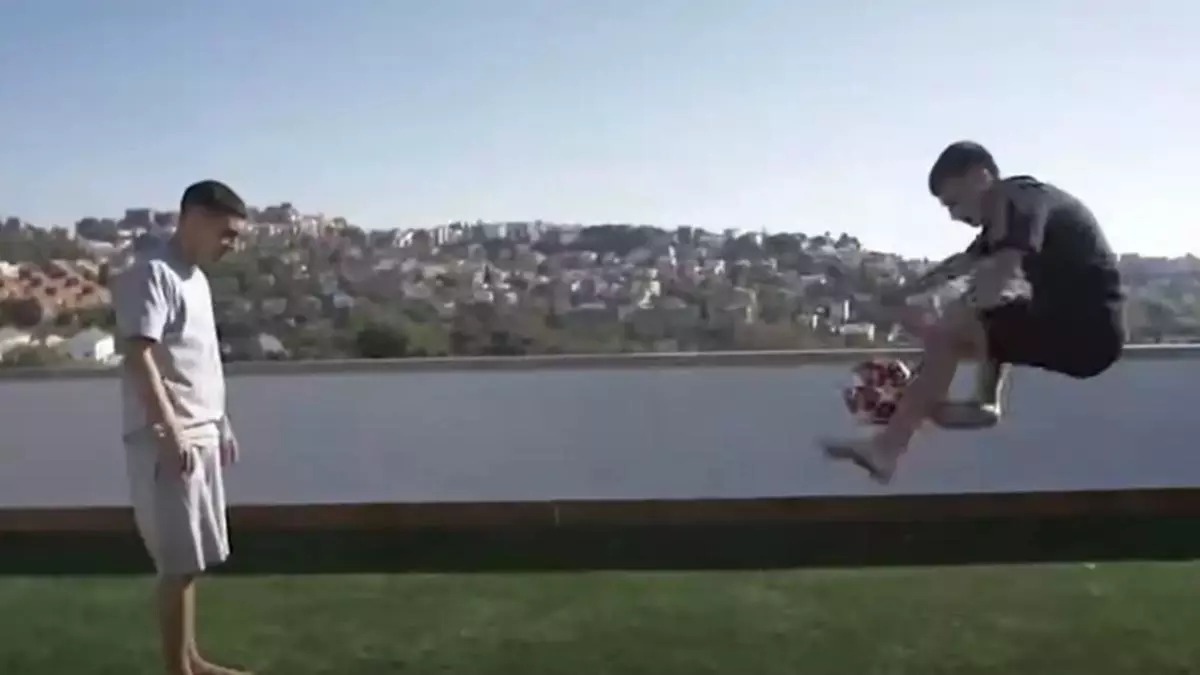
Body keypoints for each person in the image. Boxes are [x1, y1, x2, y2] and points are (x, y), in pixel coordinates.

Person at [821, 141, 1125, 484]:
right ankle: (978, 405)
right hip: (1081, 332)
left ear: (981, 177)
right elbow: (959, 265)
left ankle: (894, 444)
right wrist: (899, 296)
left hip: (1088, 329)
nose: (954, 216)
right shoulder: (1004, 221)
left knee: (962, 317)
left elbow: (1002, 275)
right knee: (969, 321)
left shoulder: (1020, 199)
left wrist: (931, 331)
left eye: (954, 202)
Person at [114, 180, 252, 675]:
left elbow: (198, 361)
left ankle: (192, 660)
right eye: (227, 233)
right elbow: (139, 355)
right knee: (175, 565)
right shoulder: (152, 273)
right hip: (169, 439)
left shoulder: (195, 279)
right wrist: (170, 430)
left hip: (200, 432)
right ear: (194, 217)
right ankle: (179, 671)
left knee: (189, 562)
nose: (231, 245)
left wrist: (221, 421)